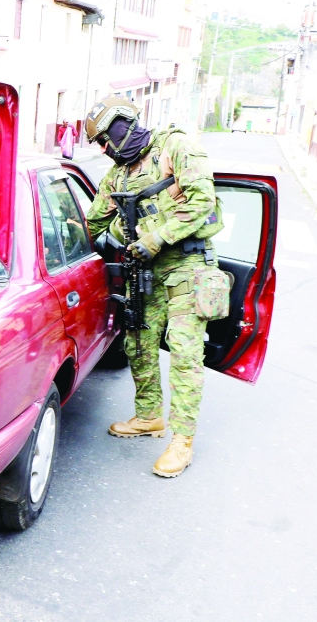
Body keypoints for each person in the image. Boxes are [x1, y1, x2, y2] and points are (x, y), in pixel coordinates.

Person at [81, 98, 225, 478]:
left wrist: (157, 237)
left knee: (183, 351)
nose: (103, 150)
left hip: (187, 266)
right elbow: (92, 224)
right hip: (143, 269)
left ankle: (182, 440)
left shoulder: (176, 146)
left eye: (104, 140)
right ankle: (148, 416)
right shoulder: (118, 175)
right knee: (138, 343)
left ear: (120, 127)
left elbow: (202, 202)